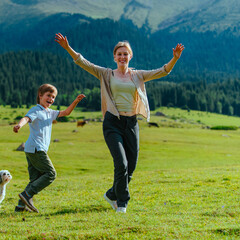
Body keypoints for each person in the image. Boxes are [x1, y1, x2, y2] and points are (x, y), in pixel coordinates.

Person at [55, 33, 184, 213]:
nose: (122, 57)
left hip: (131, 123)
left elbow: (163, 71)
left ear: (130, 56)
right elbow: (83, 62)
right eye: (119, 54)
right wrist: (68, 48)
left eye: (126, 54)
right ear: (114, 57)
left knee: (131, 166)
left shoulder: (138, 75)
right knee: (121, 163)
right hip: (112, 123)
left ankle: (111, 193)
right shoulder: (106, 74)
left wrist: (175, 58)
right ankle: (122, 203)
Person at [13, 83, 85, 213]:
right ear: (40, 95)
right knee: (51, 174)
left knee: (35, 179)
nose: (51, 99)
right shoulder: (36, 110)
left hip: (32, 148)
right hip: (36, 148)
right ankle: (26, 195)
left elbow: (66, 112)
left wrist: (75, 101)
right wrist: (19, 125)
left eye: (53, 97)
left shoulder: (50, 112)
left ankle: (20, 206)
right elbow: (26, 118)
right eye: (48, 95)